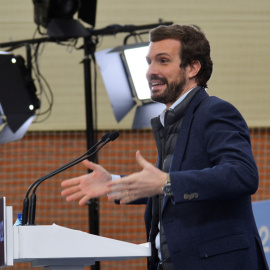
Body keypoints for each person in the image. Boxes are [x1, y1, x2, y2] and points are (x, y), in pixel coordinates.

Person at [61, 24, 269, 270]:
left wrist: (166, 183)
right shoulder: (171, 122)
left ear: (192, 68)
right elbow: (169, 186)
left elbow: (242, 174)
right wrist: (114, 183)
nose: (150, 71)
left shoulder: (215, 111)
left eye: (163, 61)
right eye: (149, 62)